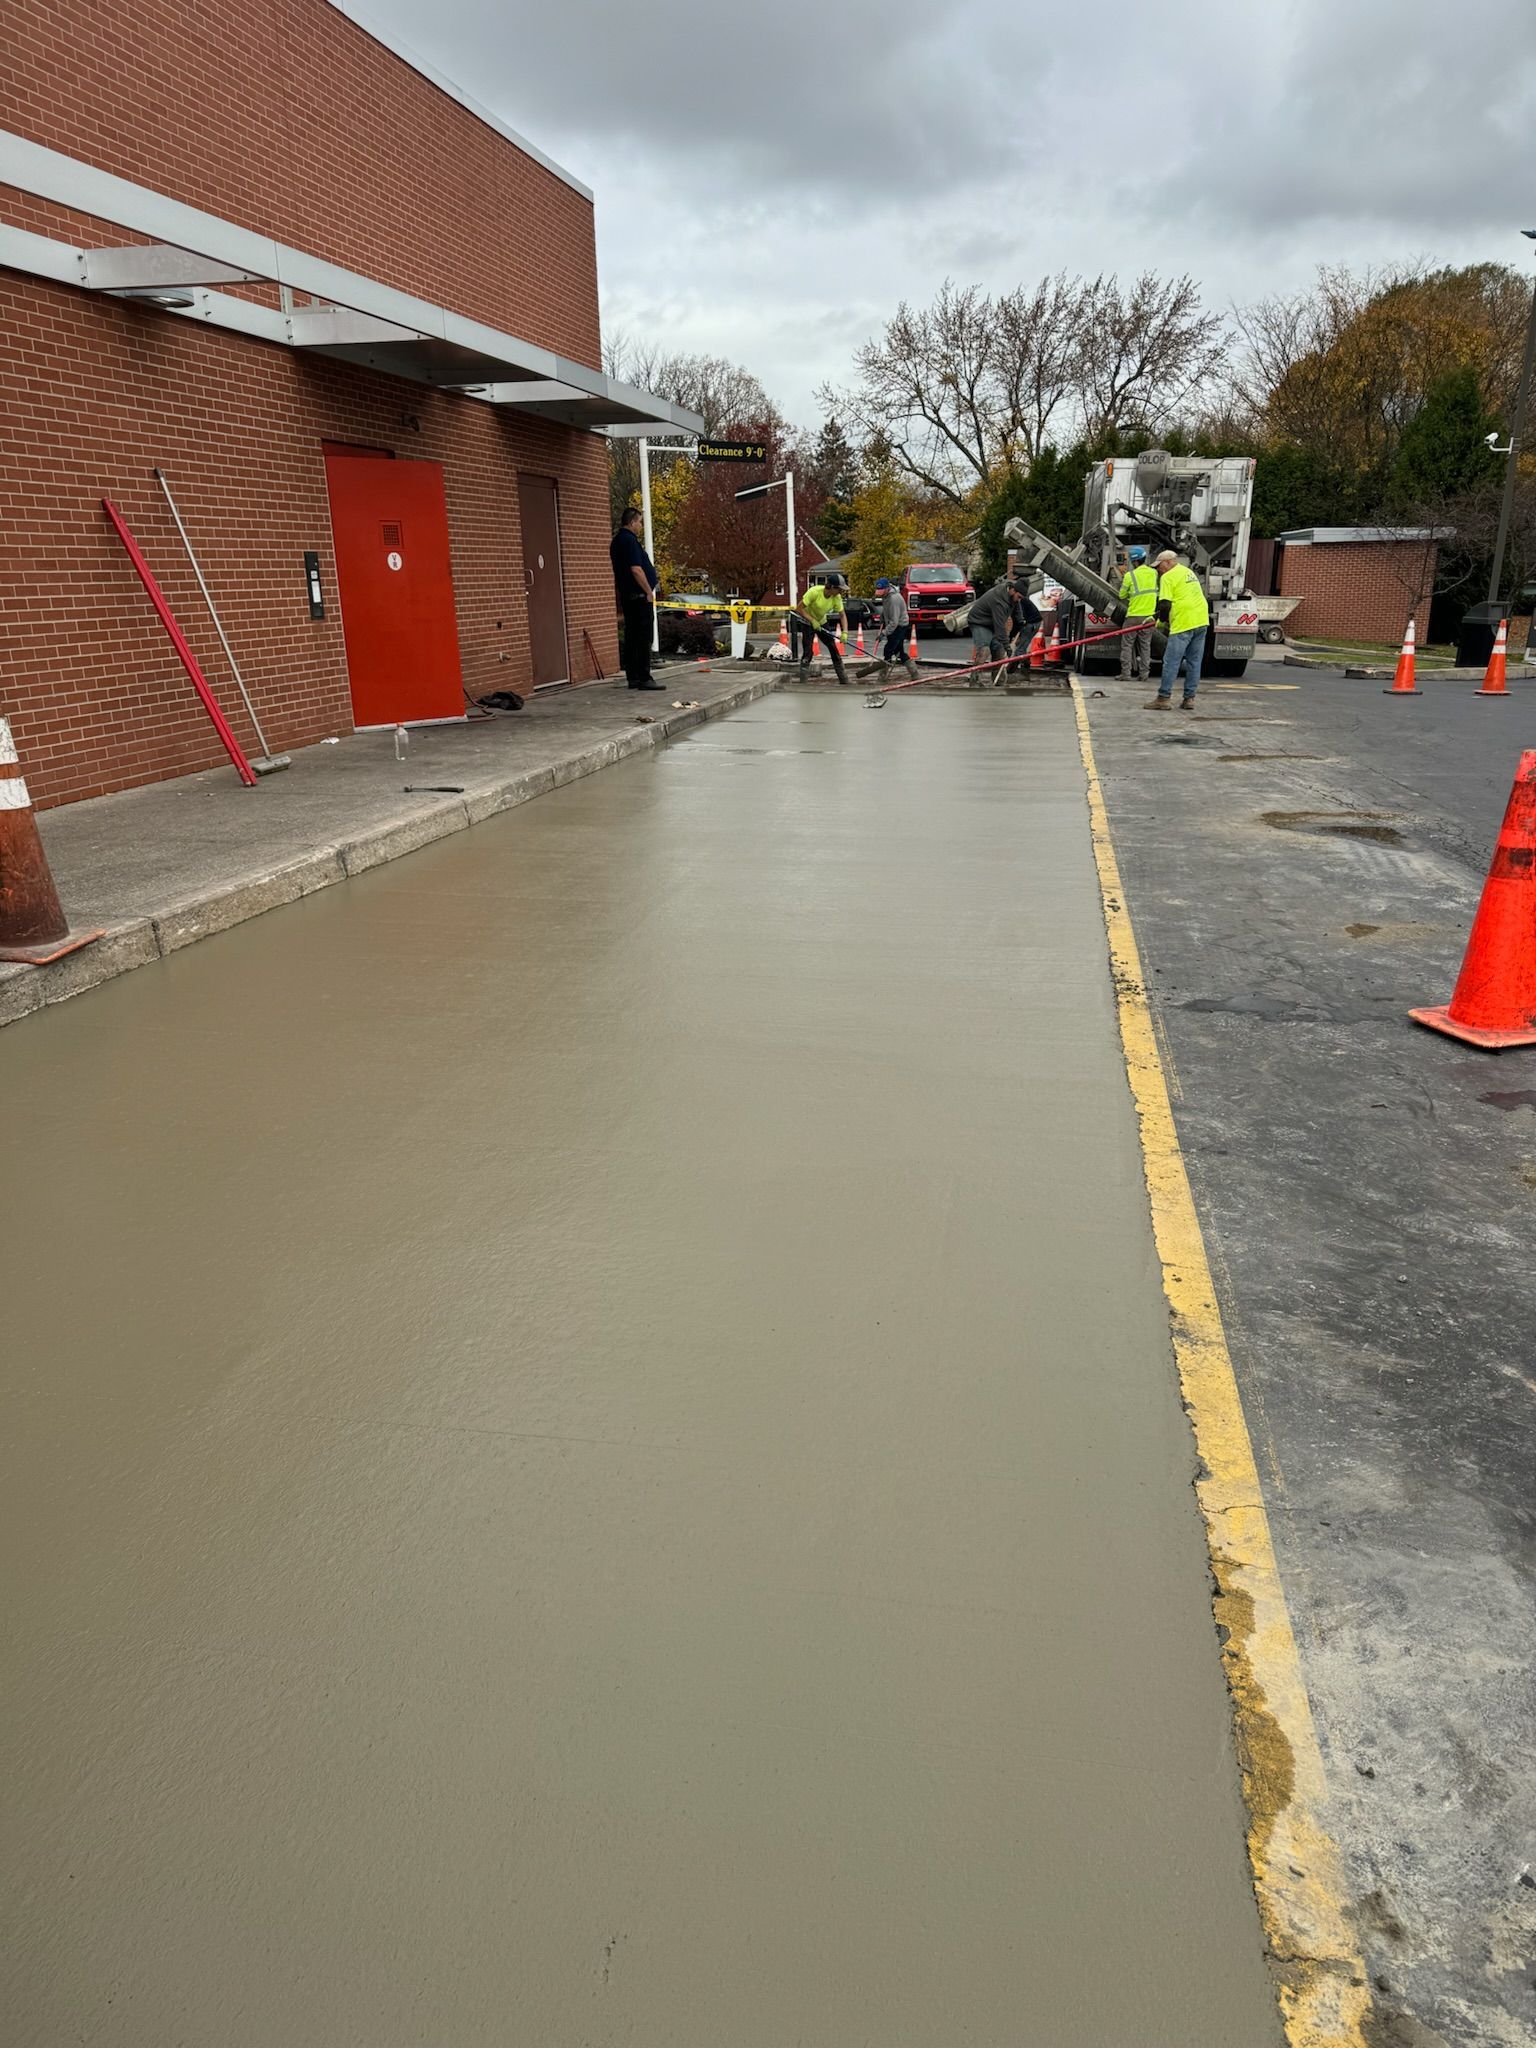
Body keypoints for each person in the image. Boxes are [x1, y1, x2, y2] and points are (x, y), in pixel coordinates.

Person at [1148, 548, 1209, 709]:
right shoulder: (1188, 572)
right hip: (1201, 620)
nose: (1158, 570)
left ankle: (1163, 698)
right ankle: (1189, 699)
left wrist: (1161, 622)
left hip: (1184, 621)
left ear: (1168, 563)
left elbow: (1165, 604)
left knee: (1171, 662)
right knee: (1194, 662)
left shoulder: (1168, 577)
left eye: (1159, 566)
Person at [610, 507, 662, 690]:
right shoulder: (630, 541)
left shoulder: (616, 541)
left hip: (627, 596)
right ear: (632, 522)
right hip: (639, 597)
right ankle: (644, 678)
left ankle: (632, 677)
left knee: (631, 637)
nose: (640, 526)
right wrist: (648, 591)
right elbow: (636, 569)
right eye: (639, 522)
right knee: (643, 637)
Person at [794, 573, 849, 684]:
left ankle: (843, 679)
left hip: (822, 622)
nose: (841, 592)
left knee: (833, 647)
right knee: (808, 652)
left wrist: (845, 632)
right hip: (807, 622)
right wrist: (812, 620)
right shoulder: (814, 592)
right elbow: (799, 608)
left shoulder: (836, 597)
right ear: (832, 587)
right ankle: (803, 681)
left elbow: (842, 615)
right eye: (840, 589)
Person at [1117, 546, 1157, 681]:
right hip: (1149, 617)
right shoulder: (1154, 573)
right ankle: (1144, 674)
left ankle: (1126, 674)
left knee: (1127, 645)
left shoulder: (1130, 576)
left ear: (1134, 562)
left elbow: (1122, 595)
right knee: (1145, 646)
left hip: (1133, 617)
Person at [966, 578, 1014, 686]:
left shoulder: (1015, 598)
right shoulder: (998, 599)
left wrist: (1020, 622)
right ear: (1012, 590)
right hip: (979, 622)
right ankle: (975, 681)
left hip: (992, 624)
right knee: (984, 650)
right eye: (1019, 597)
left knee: (999, 652)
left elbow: (1017, 614)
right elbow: (1000, 626)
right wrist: (1007, 646)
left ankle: (999, 682)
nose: (1019, 600)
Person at [874, 577, 919, 679]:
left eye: (881, 591)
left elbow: (894, 622)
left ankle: (883, 675)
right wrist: (882, 617)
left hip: (899, 626)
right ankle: (914, 673)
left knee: (888, 649)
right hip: (894, 625)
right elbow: (886, 610)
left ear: (887, 588)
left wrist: (883, 633)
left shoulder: (893, 599)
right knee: (899, 651)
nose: (880, 593)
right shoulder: (886, 596)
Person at [1010, 577, 1041, 662]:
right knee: (1020, 645)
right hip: (1033, 622)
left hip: (1031, 624)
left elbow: (1018, 621)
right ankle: (1025, 664)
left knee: (1019, 650)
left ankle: (1011, 671)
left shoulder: (1019, 601)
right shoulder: (1022, 599)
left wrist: (1011, 636)